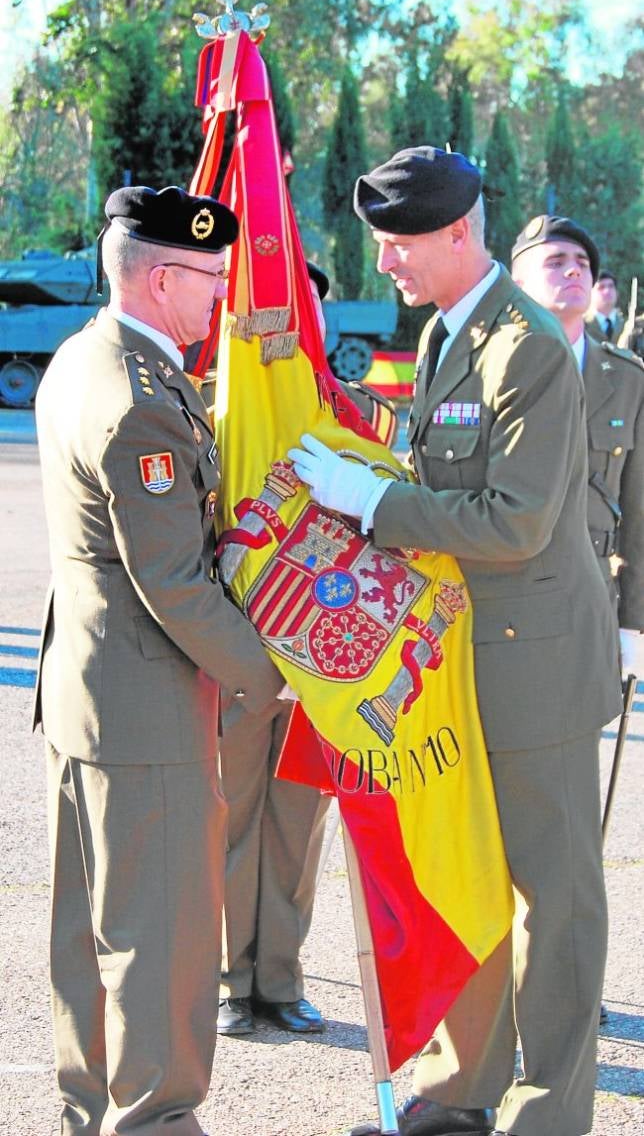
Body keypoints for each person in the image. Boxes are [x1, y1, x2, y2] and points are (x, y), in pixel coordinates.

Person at [288, 147, 623, 1136]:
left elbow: (513, 521)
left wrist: (375, 501)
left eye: (397, 245)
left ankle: (546, 1116)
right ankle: (459, 1094)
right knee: (470, 885)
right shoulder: (446, 335)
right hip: (458, 663)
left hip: (534, 671)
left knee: (550, 908)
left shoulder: (521, 347)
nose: (384, 262)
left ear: (456, 233)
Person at [33, 184, 288, 1136]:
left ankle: (90, 1108)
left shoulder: (82, 358)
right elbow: (174, 583)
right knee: (166, 940)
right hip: (146, 703)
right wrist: (277, 674)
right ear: (164, 277)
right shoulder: (139, 401)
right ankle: (155, 1123)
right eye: (213, 279)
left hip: (89, 694)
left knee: (90, 933)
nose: (222, 297)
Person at [217, 259, 398, 1038]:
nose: (295, 320)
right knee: (230, 820)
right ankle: (231, 982)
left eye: (308, 307)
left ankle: (281, 980)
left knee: (297, 827)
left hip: (326, 661)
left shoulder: (366, 415)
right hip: (233, 655)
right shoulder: (217, 409)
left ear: (319, 324)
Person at [511, 214, 644, 678]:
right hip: (499, 606)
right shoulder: (488, 368)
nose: (575, 271)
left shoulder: (627, 379)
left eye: (583, 263)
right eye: (556, 261)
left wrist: (633, 625)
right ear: (519, 282)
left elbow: (639, 513)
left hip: (588, 603)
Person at [585, 268, 625, 344]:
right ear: (590, 293)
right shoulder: (582, 324)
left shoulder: (626, 324)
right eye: (601, 287)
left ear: (617, 292)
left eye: (611, 286)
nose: (607, 291)